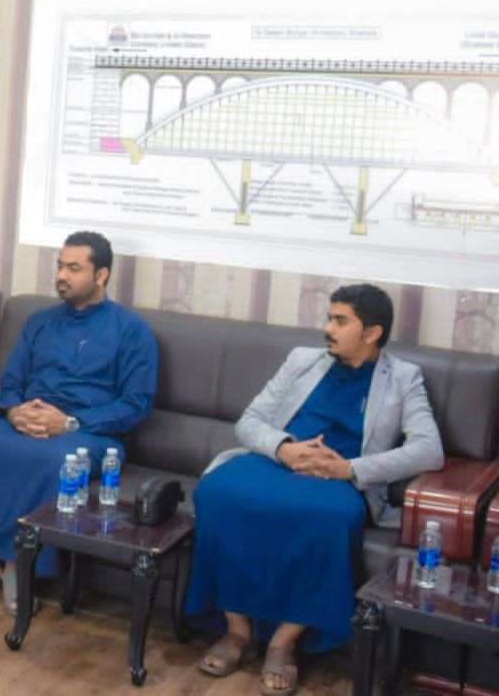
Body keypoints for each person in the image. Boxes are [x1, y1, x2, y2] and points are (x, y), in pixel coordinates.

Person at [186, 283, 443, 696]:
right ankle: (237, 630)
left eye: (340, 321)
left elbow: (430, 450)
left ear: (372, 332)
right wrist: (283, 448)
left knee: (329, 518)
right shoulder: (302, 361)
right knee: (215, 492)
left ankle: (283, 642)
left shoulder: (403, 378)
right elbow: (249, 420)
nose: (328, 329)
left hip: (339, 479)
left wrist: (350, 468)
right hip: (277, 462)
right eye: (329, 318)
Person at [0, 231, 158, 615]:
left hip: (89, 432)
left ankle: (17, 567)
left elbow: (136, 404)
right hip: (27, 421)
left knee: (51, 460)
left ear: (102, 275)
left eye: (73, 268)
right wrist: (15, 412)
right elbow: (10, 382)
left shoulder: (131, 330)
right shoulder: (40, 322)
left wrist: (69, 421)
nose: (61, 275)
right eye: (60, 266)